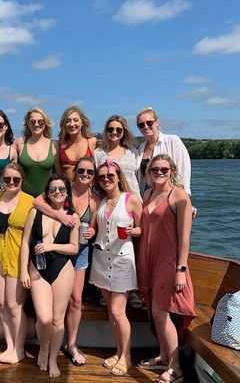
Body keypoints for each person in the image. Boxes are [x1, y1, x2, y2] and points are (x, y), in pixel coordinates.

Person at [33, 157, 99, 366]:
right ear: (75, 172)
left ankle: (70, 345)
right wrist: (60, 217)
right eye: (81, 171)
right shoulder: (63, 188)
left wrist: (92, 230)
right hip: (52, 252)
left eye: (90, 172)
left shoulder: (95, 198)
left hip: (77, 251)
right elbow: (36, 202)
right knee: (49, 308)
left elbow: (95, 225)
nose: (85, 175)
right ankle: (48, 344)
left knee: (76, 300)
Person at [137, 154, 195, 383]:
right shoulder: (148, 194)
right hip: (149, 259)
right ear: (149, 172)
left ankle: (175, 367)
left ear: (172, 170)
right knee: (154, 311)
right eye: (154, 169)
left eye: (163, 169)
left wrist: (181, 268)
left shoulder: (178, 195)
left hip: (169, 262)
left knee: (162, 312)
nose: (159, 172)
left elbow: (184, 237)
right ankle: (163, 355)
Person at [20, 174, 80, 378]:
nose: (57, 192)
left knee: (57, 319)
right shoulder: (35, 212)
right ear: (47, 192)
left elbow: (74, 248)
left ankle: (53, 358)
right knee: (44, 319)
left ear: (67, 193)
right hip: (37, 268)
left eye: (61, 189)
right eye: (53, 189)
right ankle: (43, 347)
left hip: (62, 268)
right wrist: (22, 271)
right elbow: (25, 244)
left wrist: (51, 246)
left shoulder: (73, 217)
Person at [89, 160, 142, 377]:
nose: (106, 179)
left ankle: (126, 356)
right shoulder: (100, 202)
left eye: (110, 175)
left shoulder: (131, 200)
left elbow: (144, 229)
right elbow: (93, 228)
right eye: (101, 177)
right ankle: (118, 351)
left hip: (122, 262)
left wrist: (133, 230)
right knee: (111, 312)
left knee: (119, 312)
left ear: (118, 175)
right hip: (102, 261)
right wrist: (89, 233)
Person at [0, 163, 34, 364]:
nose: (11, 182)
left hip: (18, 257)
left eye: (16, 179)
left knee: (15, 305)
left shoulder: (30, 201)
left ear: (22, 180)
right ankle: (9, 346)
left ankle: (19, 349)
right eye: (7, 179)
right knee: (1, 303)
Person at [136, 107, 191, 198]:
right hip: (146, 198)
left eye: (149, 123)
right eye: (141, 125)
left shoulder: (173, 141)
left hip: (170, 197)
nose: (145, 126)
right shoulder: (140, 148)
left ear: (157, 122)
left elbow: (183, 169)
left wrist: (185, 197)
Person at [14, 107, 58, 197]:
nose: (36, 125)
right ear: (27, 123)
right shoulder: (19, 143)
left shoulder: (54, 144)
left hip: (47, 200)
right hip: (23, 198)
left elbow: (59, 175)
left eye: (40, 121)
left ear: (46, 123)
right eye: (32, 122)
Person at [94, 115, 140, 197]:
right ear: (106, 131)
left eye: (118, 130)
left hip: (133, 200)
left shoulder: (133, 152)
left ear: (124, 131)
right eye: (110, 129)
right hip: (108, 201)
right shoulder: (98, 153)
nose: (114, 132)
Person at [56, 106, 97, 183]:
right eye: (68, 121)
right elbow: (58, 173)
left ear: (82, 123)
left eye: (75, 120)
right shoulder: (60, 144)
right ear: (64, 124)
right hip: (68, 191)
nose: (72, 124)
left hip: (88, 191)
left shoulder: (92, 142)